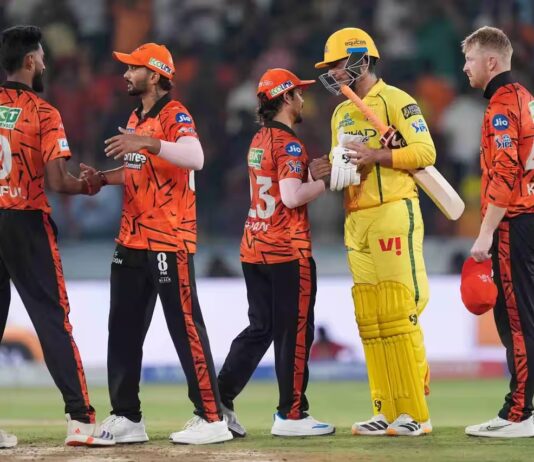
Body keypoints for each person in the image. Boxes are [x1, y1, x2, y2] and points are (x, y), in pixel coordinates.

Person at [81, 42, 232, 445]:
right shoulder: (136, 117)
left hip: (168, 237)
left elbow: (195, 157)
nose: (126, 75)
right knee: (123, 328)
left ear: (155, 74)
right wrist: (103, 178)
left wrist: (147, 143)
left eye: (133, 68)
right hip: (131, 238)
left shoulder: (175, 114)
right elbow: (140, 169)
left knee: (185, 327)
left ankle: (212, 417)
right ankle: (127, 416)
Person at [310, 28, 436, 436]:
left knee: (400, 310)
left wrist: (377, 155)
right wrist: (328, 169)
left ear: (361, 59)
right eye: (330, 66)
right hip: (355, 218)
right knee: (371, 317)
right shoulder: (340, 114)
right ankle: (385, 408)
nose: (333, 72)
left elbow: (425, 152)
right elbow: (347, 167)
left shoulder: (397, 100)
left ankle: (416, 413)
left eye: (337, 64)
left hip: (393, 211)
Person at [0, 25, 113, 446]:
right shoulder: (43, 113)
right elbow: (57, 182)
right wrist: (89, 185)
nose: (46, 64)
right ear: (30, 61)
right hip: (25, 221)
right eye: (43, 58)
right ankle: (80, 420)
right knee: (51, 320)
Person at [216, 68, 334, 438]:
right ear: (285, 98)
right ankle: (292, 415)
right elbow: (291, 196)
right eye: (298, 93)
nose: (302, 99)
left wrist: (308, 176)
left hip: (254, 247)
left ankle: (217, 399)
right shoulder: (290, 144)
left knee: (261, 329)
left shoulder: (259, 138)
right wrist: (326, 181)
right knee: (294, 333)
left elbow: (278, 186)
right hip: (287, 251)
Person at [462, 26, 534, 438]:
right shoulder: (525, 97)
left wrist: (485, 233)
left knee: (516, 319)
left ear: (491, 62)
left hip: (514, 222)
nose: (465, 67)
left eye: (470, 59)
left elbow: (505, 172)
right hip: (529, 216)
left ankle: (519, 413)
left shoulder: (501, 106)